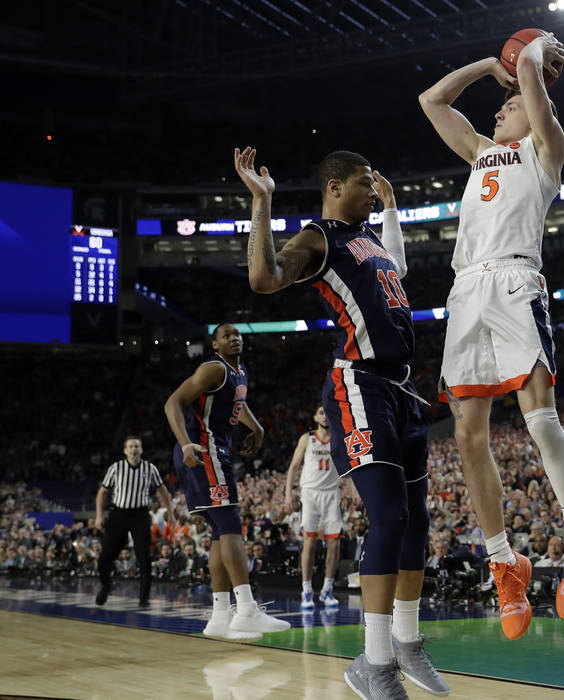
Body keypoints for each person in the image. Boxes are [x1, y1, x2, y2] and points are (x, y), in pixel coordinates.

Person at [234, 146, 447, 698]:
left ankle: (406, 643)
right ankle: (373, 665)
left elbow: (397, 265)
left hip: (403, 389)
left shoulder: (372, 242)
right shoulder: (320, 237)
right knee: (391, 516)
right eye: (362, 183)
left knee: (417, 522)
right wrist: (262, 202)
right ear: (333, 187)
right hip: (360, 384)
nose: (371, 191)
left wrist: (394, 209)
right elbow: (264, 276)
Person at [419, 29, 564, 638]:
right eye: (503, 103)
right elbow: (432, 101)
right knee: (468, 437)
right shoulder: (478, 152)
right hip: (466, 290)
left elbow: (535, 98)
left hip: (517, 282)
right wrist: (488, 65)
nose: (501, 108)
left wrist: (534, 52)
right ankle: (504, 563)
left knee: (539, 418)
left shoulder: (546, 150)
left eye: (512, 104)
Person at [163, 323, 287, 642]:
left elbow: (238, 403)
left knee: (220, 531)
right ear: (215, 345)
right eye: (226, 335)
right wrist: (186, 442)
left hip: (215, 450)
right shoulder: (213, 367)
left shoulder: (238, 372)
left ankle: (220, 616)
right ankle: (246, 608)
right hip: (203, 449)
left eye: (237, 334)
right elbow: (173, 403)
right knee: (231, 525)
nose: (234, 338)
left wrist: (256, 428)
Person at [94, 436, 173, 607]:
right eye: (130, 447)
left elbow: (162, 490)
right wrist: (99, 516)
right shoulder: (116, 468)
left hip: (140, 515)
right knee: (105, 556)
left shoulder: (150, 468)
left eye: (137, 446)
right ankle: (106, 586)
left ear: (141, 450)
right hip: (118, 514)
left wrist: (170, 512)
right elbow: (102, 492)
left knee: (144, 556)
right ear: (125, 451)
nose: (134, 449)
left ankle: (144, 598)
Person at [285, 404, 342, 610]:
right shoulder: (306, 438)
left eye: (327, 412)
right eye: (320, 412)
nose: (325, 416)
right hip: (310, 493)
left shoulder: (339, 437)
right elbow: (293, 467)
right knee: (310, 541)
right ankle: (306, 589)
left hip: (332, 492)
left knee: (334, 544)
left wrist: (352, 488)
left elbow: (348, 465)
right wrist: (288, 494)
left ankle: (327, 589)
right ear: (315, 417)